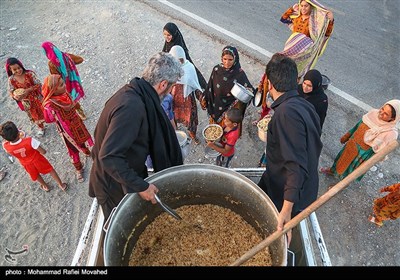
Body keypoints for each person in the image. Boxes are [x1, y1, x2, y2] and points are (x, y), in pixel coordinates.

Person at [88, 52, 184, 222]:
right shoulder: (131, 107)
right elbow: (109, 157)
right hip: (113, 185)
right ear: (163, 84)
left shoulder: (136, 92)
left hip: (127, 172)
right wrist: (141, 186)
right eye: (171, 87)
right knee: (124, 224)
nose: (170, 91)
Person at [257, 53, 322, 266]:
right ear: (296, 81)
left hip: (289, 193)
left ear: (269, 83)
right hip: (289, 182)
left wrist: (286, 210)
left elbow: (295, 165)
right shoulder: (304, 105)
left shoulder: (286, 114)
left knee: (280, 232)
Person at [320, 99, 400, 181]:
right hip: (351, 144)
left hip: (361, 155)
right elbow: (358, 125)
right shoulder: (373, 114)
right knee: (340, 160)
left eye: (386, 114)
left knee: (349, 171)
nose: (381, 113)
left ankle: (338, 186)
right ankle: (333, 171)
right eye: (382, 108)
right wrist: (347, 136)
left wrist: (368, 162)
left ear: (393, 118)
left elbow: (382, 152)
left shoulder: (391, 133)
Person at [41, 74, 94, 183]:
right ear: (53, 90)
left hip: (76, 123)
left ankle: (88, 153)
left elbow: (73, 105)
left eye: (63, 83)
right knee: (73, 149)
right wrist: (48, 109)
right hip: (67, 132)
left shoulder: (65, 94)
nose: (64, 86)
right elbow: (49, 119)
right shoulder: (50, 104)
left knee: (84, 139)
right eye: (60, 85)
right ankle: (79, 169)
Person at [201, 45, 254, 137]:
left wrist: (249, 92)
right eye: (225, 59)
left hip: (230, 107)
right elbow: (210, 86)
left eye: (230, 60)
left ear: (235, 59)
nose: (227, 62)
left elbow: (249, 89)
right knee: (215, 130)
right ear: (221, 58)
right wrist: (205, 97)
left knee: (227, 129)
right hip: (216, 103)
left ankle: (227, 139)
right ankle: (216, 137)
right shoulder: (216, 69)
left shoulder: (239, 73)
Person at [0, 121, 67, 192]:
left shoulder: (5, 146)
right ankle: (61, 185)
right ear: (18, 133)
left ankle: (45, 186)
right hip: (38, 160)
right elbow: (43, 152)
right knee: (50, 170)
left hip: (26, 164)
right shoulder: (29, 141)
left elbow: (9, 147)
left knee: (36, 175)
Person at [280, 0, 334, 80]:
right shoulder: (297, 16)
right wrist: (293, 8)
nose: (303, 8)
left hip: (305, 50)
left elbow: (326, 34)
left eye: (306, 6)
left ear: (311, 7)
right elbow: (283, 19)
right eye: (301, 6)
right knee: (284, 67)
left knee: (298, 71)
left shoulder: (315, 22)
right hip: (292, 46)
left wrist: (331, 21)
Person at [41, 41, 87, 120]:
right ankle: (81, 112)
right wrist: (70, 66)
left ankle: (77, 113)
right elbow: (80, 60)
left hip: (63, 84)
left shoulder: (52, 64)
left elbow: (55, 77)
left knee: (69, 99)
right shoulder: (66, 56)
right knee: (74, 96)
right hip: (74, 81)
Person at [169, 45, 203, 145]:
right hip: (174, 100)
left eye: (180, 60)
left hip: (188, 101)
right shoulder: (169, 69)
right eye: (175, 60)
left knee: (191, 120)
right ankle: (176, 132)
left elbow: (195, 84)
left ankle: (193, 136)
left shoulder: (189, 68)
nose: (178, 63)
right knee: (173, 117)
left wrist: (201, 98)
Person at [5, 57, 46, 136]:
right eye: (14, 69)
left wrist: (28, 90)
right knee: (34, 115)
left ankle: (54, 122)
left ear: (21, 66)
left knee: (45, 110)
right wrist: (15, 96)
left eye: (19, 68)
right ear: (11, 70)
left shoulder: (29, 74)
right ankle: (41, 127)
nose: (18, 70)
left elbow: (38, 84)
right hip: (27, 102)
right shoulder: (11, 80)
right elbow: (11, 91)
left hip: (37, 98)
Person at [162, 22, 207, 90]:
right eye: (164, 34)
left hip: (180, 66)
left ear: (174, 34)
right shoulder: (170, 40)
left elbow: (180, 63)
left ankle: (205, 89)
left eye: (168, 35)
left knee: (192, 75)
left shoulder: (177, 47)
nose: (166, 37)